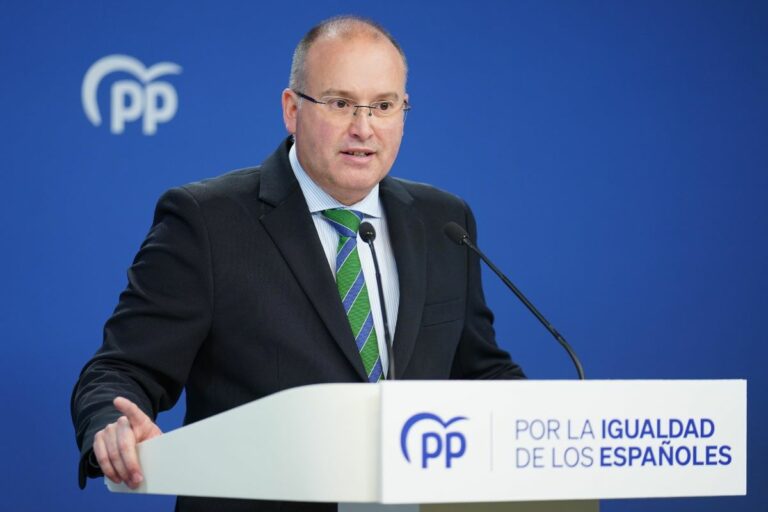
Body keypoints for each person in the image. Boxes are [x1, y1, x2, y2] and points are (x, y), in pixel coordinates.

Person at [71, 15, 525, 512]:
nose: (364, 127)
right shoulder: (206, 221)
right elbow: (121, 369)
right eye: (341, 103)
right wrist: (110, 422)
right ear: (292, 109)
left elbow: (478, 373)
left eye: (384, 105)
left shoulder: (444, 221)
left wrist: (551, 426)